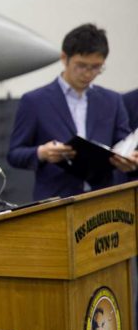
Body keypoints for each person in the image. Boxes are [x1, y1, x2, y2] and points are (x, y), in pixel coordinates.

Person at [7, 23, 138, 200]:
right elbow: (14, 154)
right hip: (55, 201)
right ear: (64, 58)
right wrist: (41, 153)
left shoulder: (112, 100)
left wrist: (129, 161)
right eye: (81, 65)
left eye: (96, 67)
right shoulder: (35, 101)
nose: (88, 73)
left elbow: (123, 144)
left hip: (103, 199)